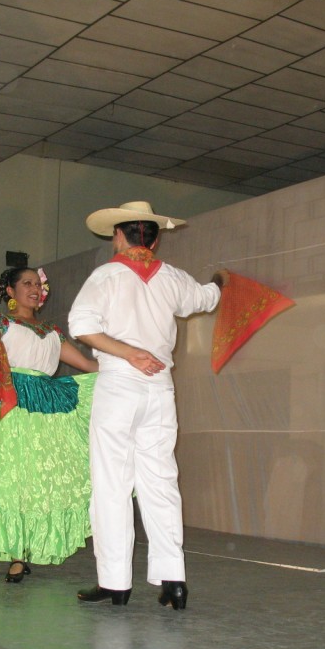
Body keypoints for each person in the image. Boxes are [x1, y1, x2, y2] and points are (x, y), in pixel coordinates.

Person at [68, 201, 227, 609]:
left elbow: (81, 326)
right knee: (161, 483)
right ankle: (174, 581)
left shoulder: (106, 275)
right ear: (155, 238)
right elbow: (207, 298)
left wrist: (127, 352)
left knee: (112, 485)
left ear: (119, 236)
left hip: (120, 385)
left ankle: (115, 582)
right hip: (160, 390)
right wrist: (221, 282)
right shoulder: (172, 278)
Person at [0, 266, 99, 583]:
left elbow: (89, 365)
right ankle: (17, 555)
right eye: (26, 283)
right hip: (10, 403)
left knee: (42, 478)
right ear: (10, 291)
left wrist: (123, 365)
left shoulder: (52, 331)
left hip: (46, 404)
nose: (35, 289)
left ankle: (31, 547)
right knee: (12, 477)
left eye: (38, 284)